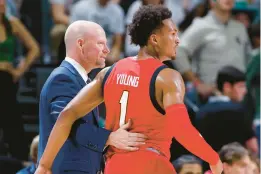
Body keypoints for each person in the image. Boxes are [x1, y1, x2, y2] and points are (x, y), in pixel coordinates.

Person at [35, 5, 223, 174]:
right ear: (155, 39)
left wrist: (44, 165)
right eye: (173, 33)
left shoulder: (109, 72)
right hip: (152, 164)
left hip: (114, 166)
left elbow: (67, 114)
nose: (178, 40)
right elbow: (181, 128)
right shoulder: (167, 78)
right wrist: (213, 158)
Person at [37, 20, 147, 174]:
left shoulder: (81, 79)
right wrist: (110, 137)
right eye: (101, 44)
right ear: (81, 44)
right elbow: (65, 125)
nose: (107, 50)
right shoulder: (63, 78)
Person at [0, 0, 39, 160]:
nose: (2, 3)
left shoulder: (12, 23)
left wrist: (19, 70)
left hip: (6, 79)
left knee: (6, 90)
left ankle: (19, 154)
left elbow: (34, 48)